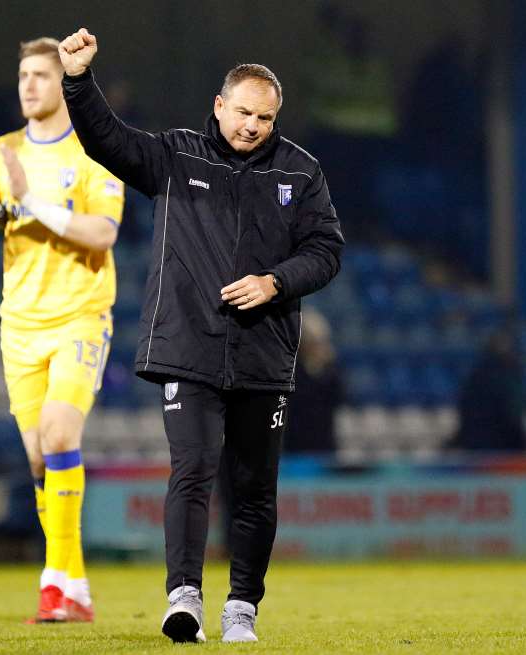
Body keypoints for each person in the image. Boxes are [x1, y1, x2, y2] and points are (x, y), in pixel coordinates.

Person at [58, 28, 344, 643]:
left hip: (265, 353)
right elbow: (108, 142)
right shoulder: (176, 155)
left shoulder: (301, 170)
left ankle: (243, 607)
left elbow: (326, 251)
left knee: (254, 487)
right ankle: (183, 596)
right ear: (219, 106)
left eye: (265, 118)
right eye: (243, 112)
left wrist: (275, 282)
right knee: (191, 466)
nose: (252, 126)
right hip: (188, 346)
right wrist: (79, 83)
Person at [0, 37, 124, 624]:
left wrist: (33, 203)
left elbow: (104, 233)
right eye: (23, 75)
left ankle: (54, 584)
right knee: (41, 464)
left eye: (41, 76)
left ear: (62, 85)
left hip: (80, 316)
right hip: (19, 327)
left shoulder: (95, 152)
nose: (28, 85)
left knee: (58, 431)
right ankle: (75, 587)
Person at [283, 307, 345, 454]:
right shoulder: (292, 367)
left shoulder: (330, 369)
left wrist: (324, 370)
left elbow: (339, 397)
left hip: (324, 441)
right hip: (295, 442)